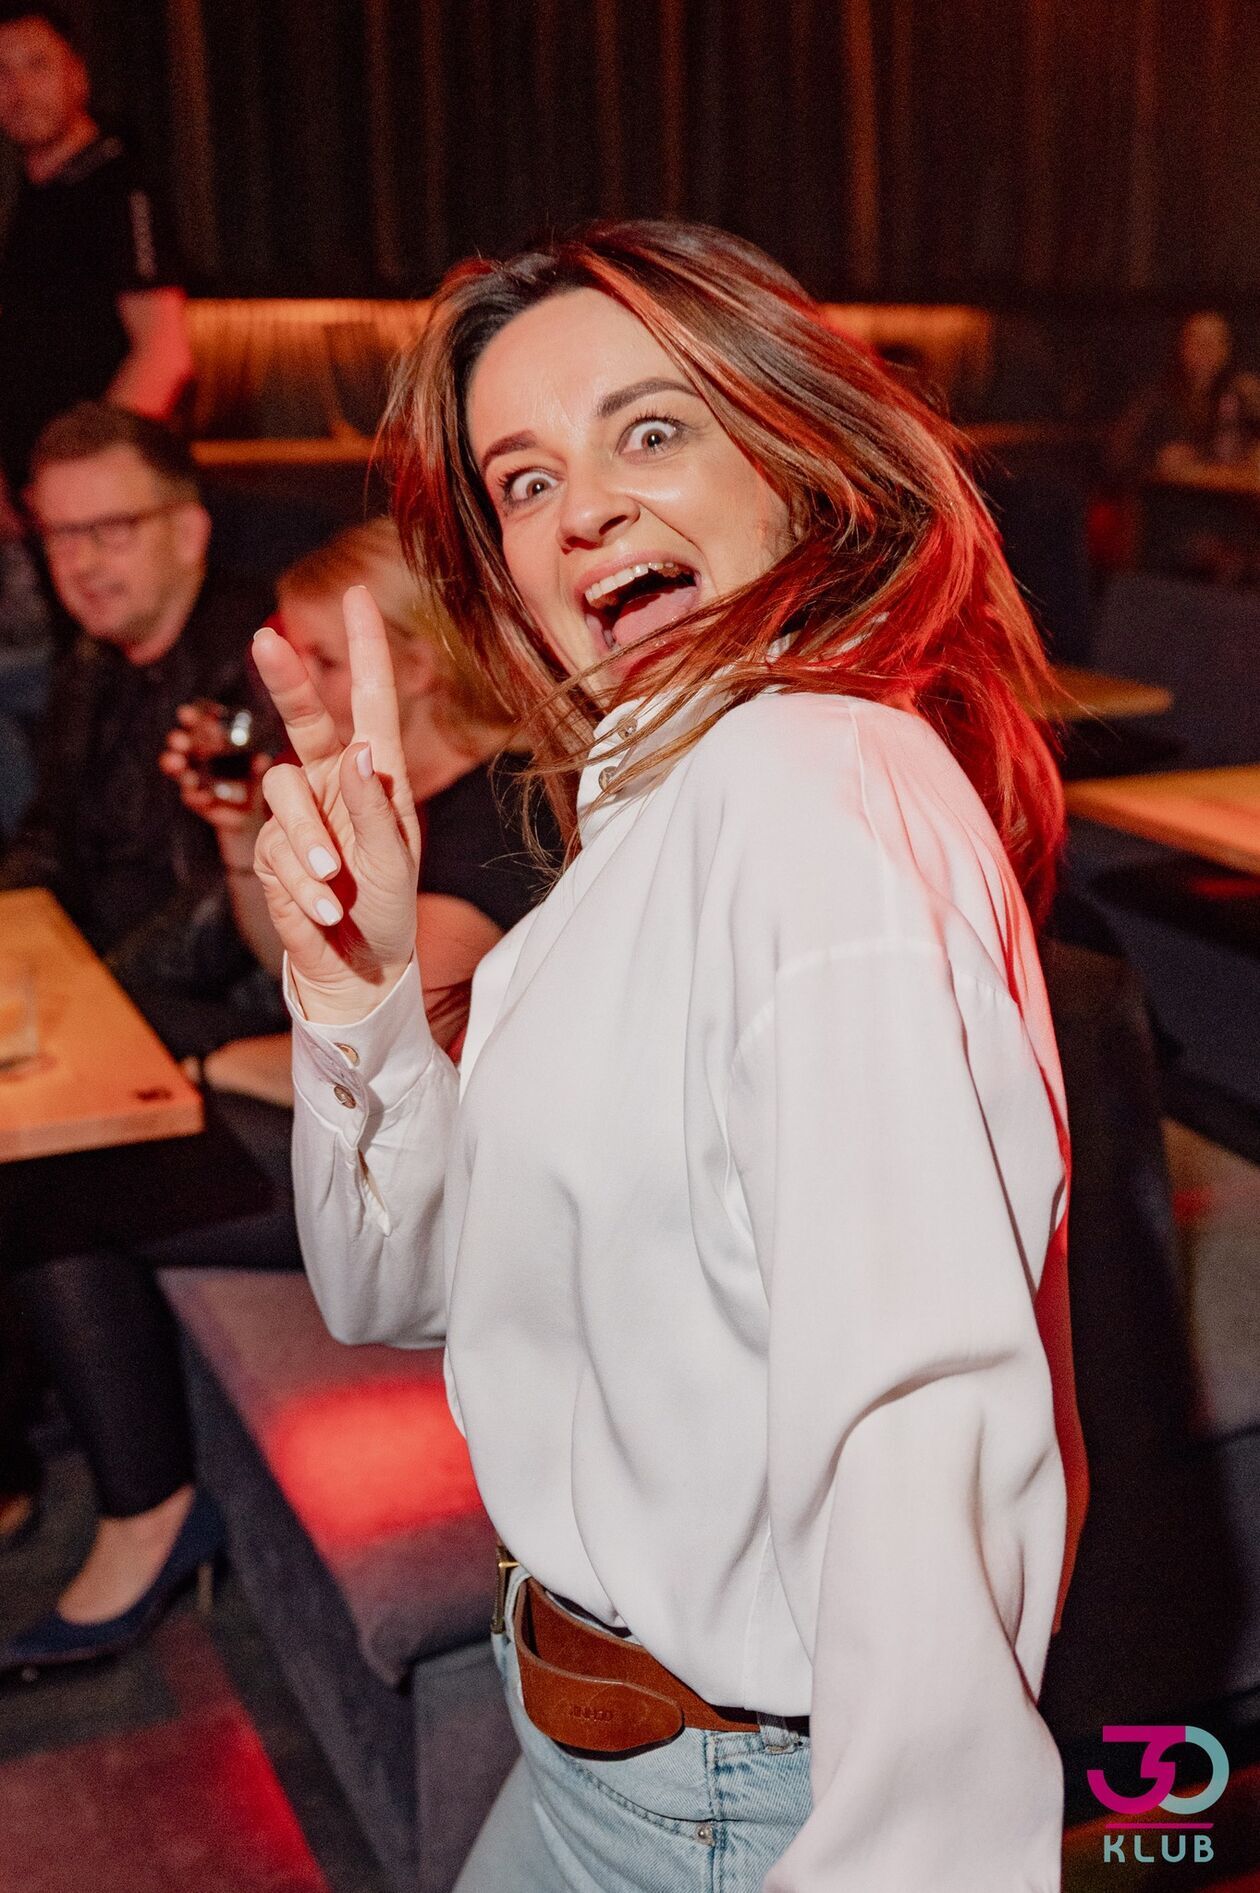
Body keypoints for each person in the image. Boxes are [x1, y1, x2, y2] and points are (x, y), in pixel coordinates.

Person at [251, 221, 1088, 1890]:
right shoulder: (653, 814)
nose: (583, 510)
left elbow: (913, 1418)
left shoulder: (811, 789)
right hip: (595, 1752)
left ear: (797, 462)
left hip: (730, 1806)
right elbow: (394, 1285)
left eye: (649, 429)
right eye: (524, 479)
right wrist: (356, 989)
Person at [0, 520, 554, 1674]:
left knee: (55, 1186)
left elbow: (386, 1054)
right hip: (359, 1147)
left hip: (441, 1203)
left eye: (326, 659)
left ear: (414, 663)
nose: (292, 683)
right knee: (64, 1145)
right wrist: (247, 833)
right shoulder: (390, 788)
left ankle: (143, 1514)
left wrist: (215, 1065)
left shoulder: (494, 811)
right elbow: (298, 973)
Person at [0, 6, 191, 499]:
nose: (19, 89)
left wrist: (82, 479)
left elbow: (163, 352)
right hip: (37, 498)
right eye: (1, 72)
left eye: (37, 65)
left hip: (98, 502)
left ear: (77, 76)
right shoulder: (33, 198)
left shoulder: (121, 187)